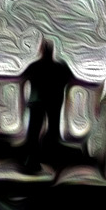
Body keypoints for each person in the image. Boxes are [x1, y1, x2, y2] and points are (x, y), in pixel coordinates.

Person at [18, 38, 78, 175]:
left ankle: (32, 162)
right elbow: (71, 79)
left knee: (33, 133)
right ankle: (50, 160)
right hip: (53, 102)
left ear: (41, 50)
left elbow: (21, 77)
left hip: (36, 102)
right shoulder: (60, 67)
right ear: (52, 51)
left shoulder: (35, 65)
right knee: (52, 131)